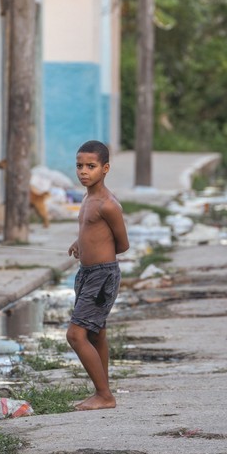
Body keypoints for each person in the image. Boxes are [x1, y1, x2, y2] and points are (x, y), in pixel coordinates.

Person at [66, 140, 129, 410]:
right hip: (87, 272)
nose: (83, 171)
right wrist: (82, 244)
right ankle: (102, 391)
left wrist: (99, 252)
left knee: (76, 335)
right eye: (80, 166)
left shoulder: (108, 204)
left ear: (105, 169)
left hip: (102, 276)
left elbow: (122, 245)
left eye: (91, 166)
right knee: (96, 333)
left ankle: (104, 395)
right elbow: (91, 231)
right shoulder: (87, 197)